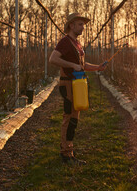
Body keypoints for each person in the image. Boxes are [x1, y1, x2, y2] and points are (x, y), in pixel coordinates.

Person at [49, 12, 106, 165]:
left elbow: (82, 65)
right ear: (71, 25)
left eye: (83, 25)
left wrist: (97, 68)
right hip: (68, 83)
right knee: (68, 117)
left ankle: (69, 149)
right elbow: (53, 59)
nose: (82, 27)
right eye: (80, 24)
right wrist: (72, 65)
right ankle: (66, 153)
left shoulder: (77, 44)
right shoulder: (65, 42)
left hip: (77, 84)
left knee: (74, 118)